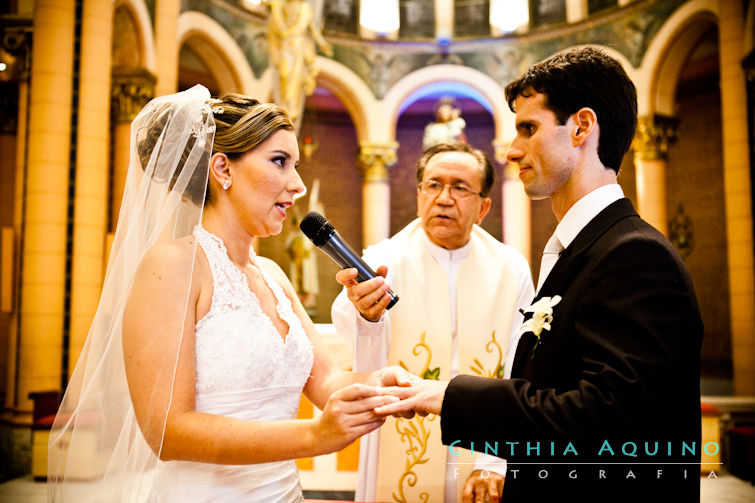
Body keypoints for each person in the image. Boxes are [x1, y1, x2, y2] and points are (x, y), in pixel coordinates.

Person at [48, 85, 413, 502]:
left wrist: (389, 385)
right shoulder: (172, 265)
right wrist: (314, 435)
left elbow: (328, 381)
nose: (298, 186)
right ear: (223, 170)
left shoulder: (273, 274)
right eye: (280, 162)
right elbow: (167, 430)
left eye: (294, 165)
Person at [376, 46, 703, 502]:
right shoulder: (582, 250)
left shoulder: (634, 255)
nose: (511, 150)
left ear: (582, 127)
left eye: (529, 129)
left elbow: (611, 422)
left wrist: (448, 396)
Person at [332, 143, 534, 503]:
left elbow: (521, 365)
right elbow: (353, 333)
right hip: (402, 431)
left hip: (478, 440)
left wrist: (495, 460)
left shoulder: (511, 268)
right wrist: (367, 314)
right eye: (433, 185)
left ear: (484, 206)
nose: (444, 198)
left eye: (460, 188)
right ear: (419, 193)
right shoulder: (383, 260)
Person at [268, 0, 333, 126]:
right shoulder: (279, 5)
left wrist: (322, 43)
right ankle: (284, 110)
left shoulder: (304, 7)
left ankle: (290, 112)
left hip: (298, 47)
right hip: (285, 46)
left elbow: (312, 28)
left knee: (294, 81)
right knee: (284, 75)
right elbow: (274, 25)